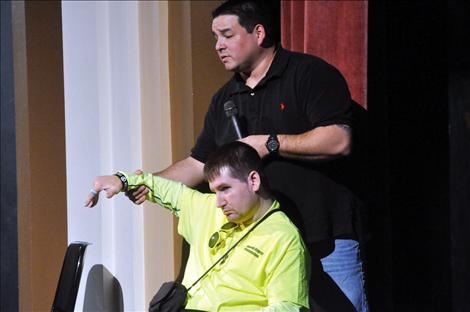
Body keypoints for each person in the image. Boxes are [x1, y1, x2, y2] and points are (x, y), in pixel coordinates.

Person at [130, 1, 368, 311]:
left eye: (227, 35)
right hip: (264, 243)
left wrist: (270, 143)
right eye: (215, 38)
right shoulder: (226, 99)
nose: (218, 46)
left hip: (323, 238)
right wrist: (147, 182)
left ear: (258, 32)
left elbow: (339, 140)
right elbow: (200, 164)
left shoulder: (308, 74)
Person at [85, 142, 309, 311]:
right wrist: (123, 181)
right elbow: (167, 190)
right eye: (214, 192)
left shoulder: (284, 238)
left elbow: (287, 307)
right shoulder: (208, 207)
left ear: (253, 181)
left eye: (225, 189)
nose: (219, 202)